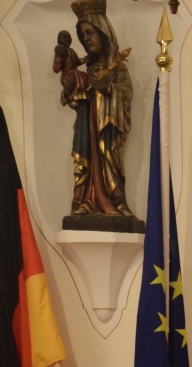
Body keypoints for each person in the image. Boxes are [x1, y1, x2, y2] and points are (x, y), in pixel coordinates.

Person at [59, 0, 134, 218]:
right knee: (86, 160)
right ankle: (85, 201)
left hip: (106, 128)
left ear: (103, 33)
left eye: (91, 32)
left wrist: (109, 89)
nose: (87, 38)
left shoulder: (118, 68)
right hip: (85, 127)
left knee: (107, 156)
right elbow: (76, 100)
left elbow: (127, 94)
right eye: (83, 35)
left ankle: (115, 201)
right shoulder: (85, 69)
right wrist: (70, 90)